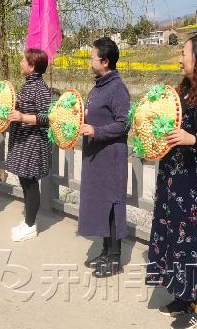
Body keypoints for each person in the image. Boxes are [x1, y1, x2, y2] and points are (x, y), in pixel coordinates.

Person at [146, 35, 197, 328]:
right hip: (171, 179)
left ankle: (196, 303)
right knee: (172, 238)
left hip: (193, 185)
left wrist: (192, 139)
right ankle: (180, 295)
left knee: (192, 242)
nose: (180, 59)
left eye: (184, 54)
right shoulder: (179, 92)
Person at [78, 37, 130, 278]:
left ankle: (115, 258)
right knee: (99, 203)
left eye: (92, 57)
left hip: (110, 156)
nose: (90, 61)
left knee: (111, 204)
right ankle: (106, 249)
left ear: (105, 61)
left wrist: (96, 131)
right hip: (96, 154)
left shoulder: (117, 88)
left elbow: (123, 124)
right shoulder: (99, 85)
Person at [6, 48, 52, 242]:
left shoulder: (40, 88)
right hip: (23, 139)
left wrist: (23, 116)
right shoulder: (27, 85)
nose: (20, 63)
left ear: (32, 66)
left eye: (23, 61)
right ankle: (27, 221)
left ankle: (31, 226)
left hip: (34, 142)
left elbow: (48, 117)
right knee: (24, 181)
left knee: (30, 182)